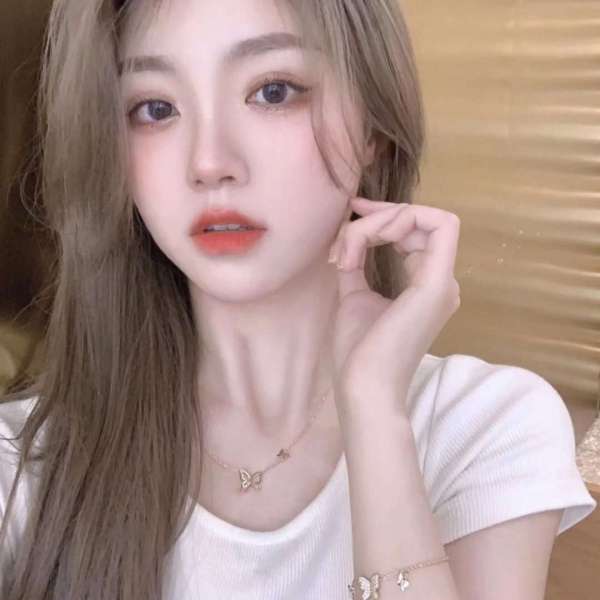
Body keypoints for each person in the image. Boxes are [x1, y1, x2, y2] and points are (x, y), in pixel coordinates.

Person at [0, 0, 596, 598]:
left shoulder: (484, 427)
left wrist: (374, 411)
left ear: (374, 130)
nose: (210, 163)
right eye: (155, 109)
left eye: (274, 92)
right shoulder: (22, 466)